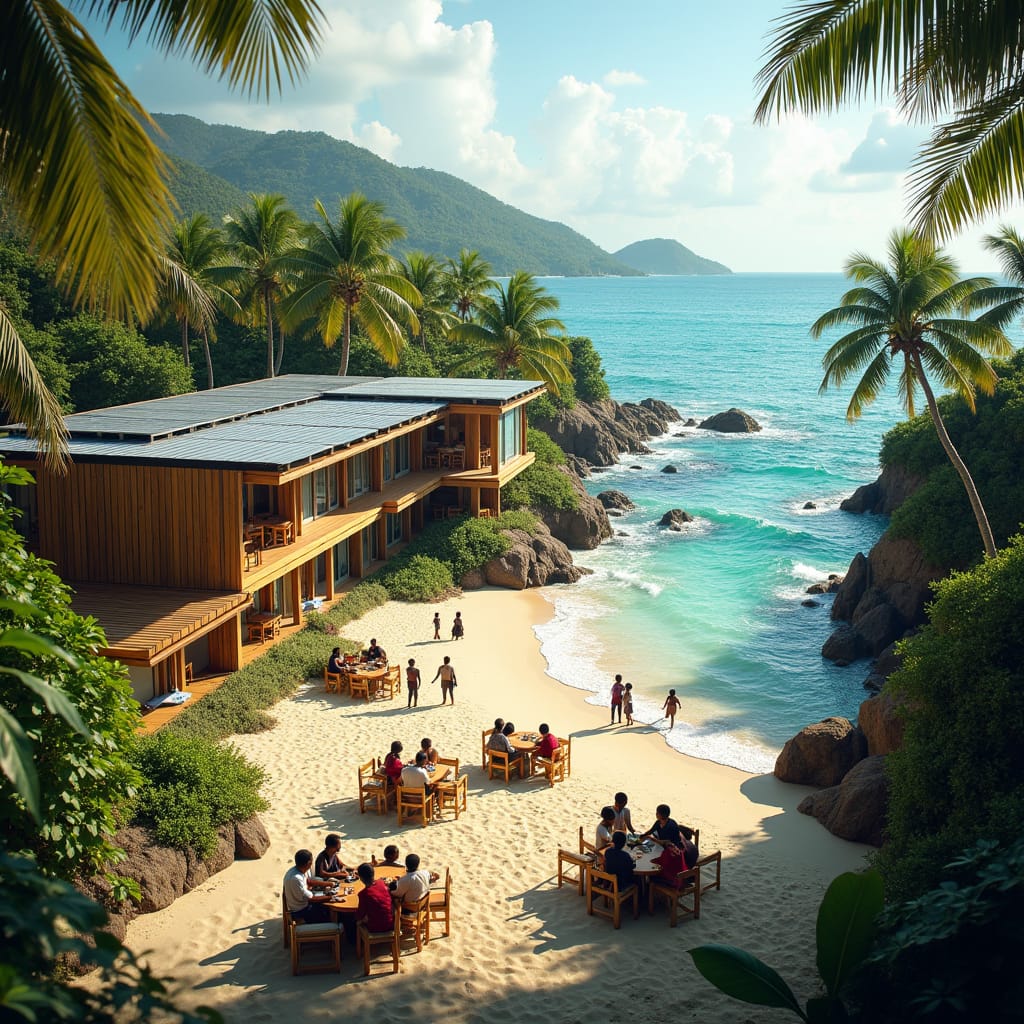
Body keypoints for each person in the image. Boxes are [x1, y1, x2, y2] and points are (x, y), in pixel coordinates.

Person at [283, 849, 332, 924]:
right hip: (300, 911)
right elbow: (312, 899)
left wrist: (328, 884)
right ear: (309, 863)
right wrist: (331, 898)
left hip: (301, 904)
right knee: (328, 910)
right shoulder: (296, 879)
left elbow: (309, 881)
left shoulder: (295, 870)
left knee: (323, 899)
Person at [355, 862, 394, 934]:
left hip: (375, 928)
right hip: (391, 923)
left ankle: (355, 942)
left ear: (361, 878)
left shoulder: (363, 894)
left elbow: (360, 915)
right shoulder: (381, 883)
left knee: (351, 920)